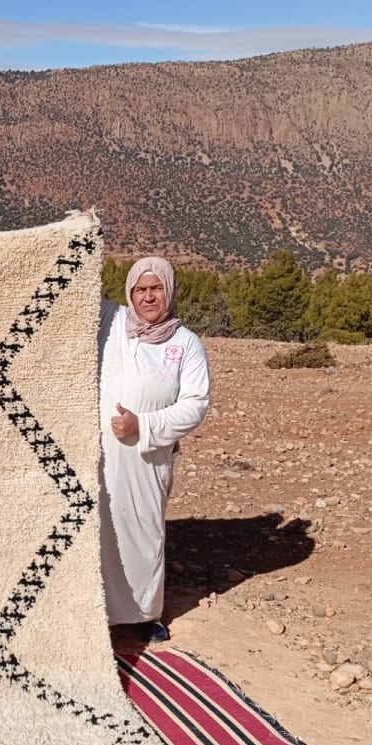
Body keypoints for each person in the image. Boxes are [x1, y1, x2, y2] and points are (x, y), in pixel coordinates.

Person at [98, 256, 210, 643]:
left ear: (170, 291)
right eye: (141, 289)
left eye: (156, 288)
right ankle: (95, 615)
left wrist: (143, 425)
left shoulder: (185, 344)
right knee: (99, 528)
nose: (148, 297)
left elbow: (195, 403)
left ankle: (143, 615)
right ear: (129, 292)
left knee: (144, 531)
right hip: (99, 453)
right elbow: (71, 297)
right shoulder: (109, 324)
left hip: (147, 455)